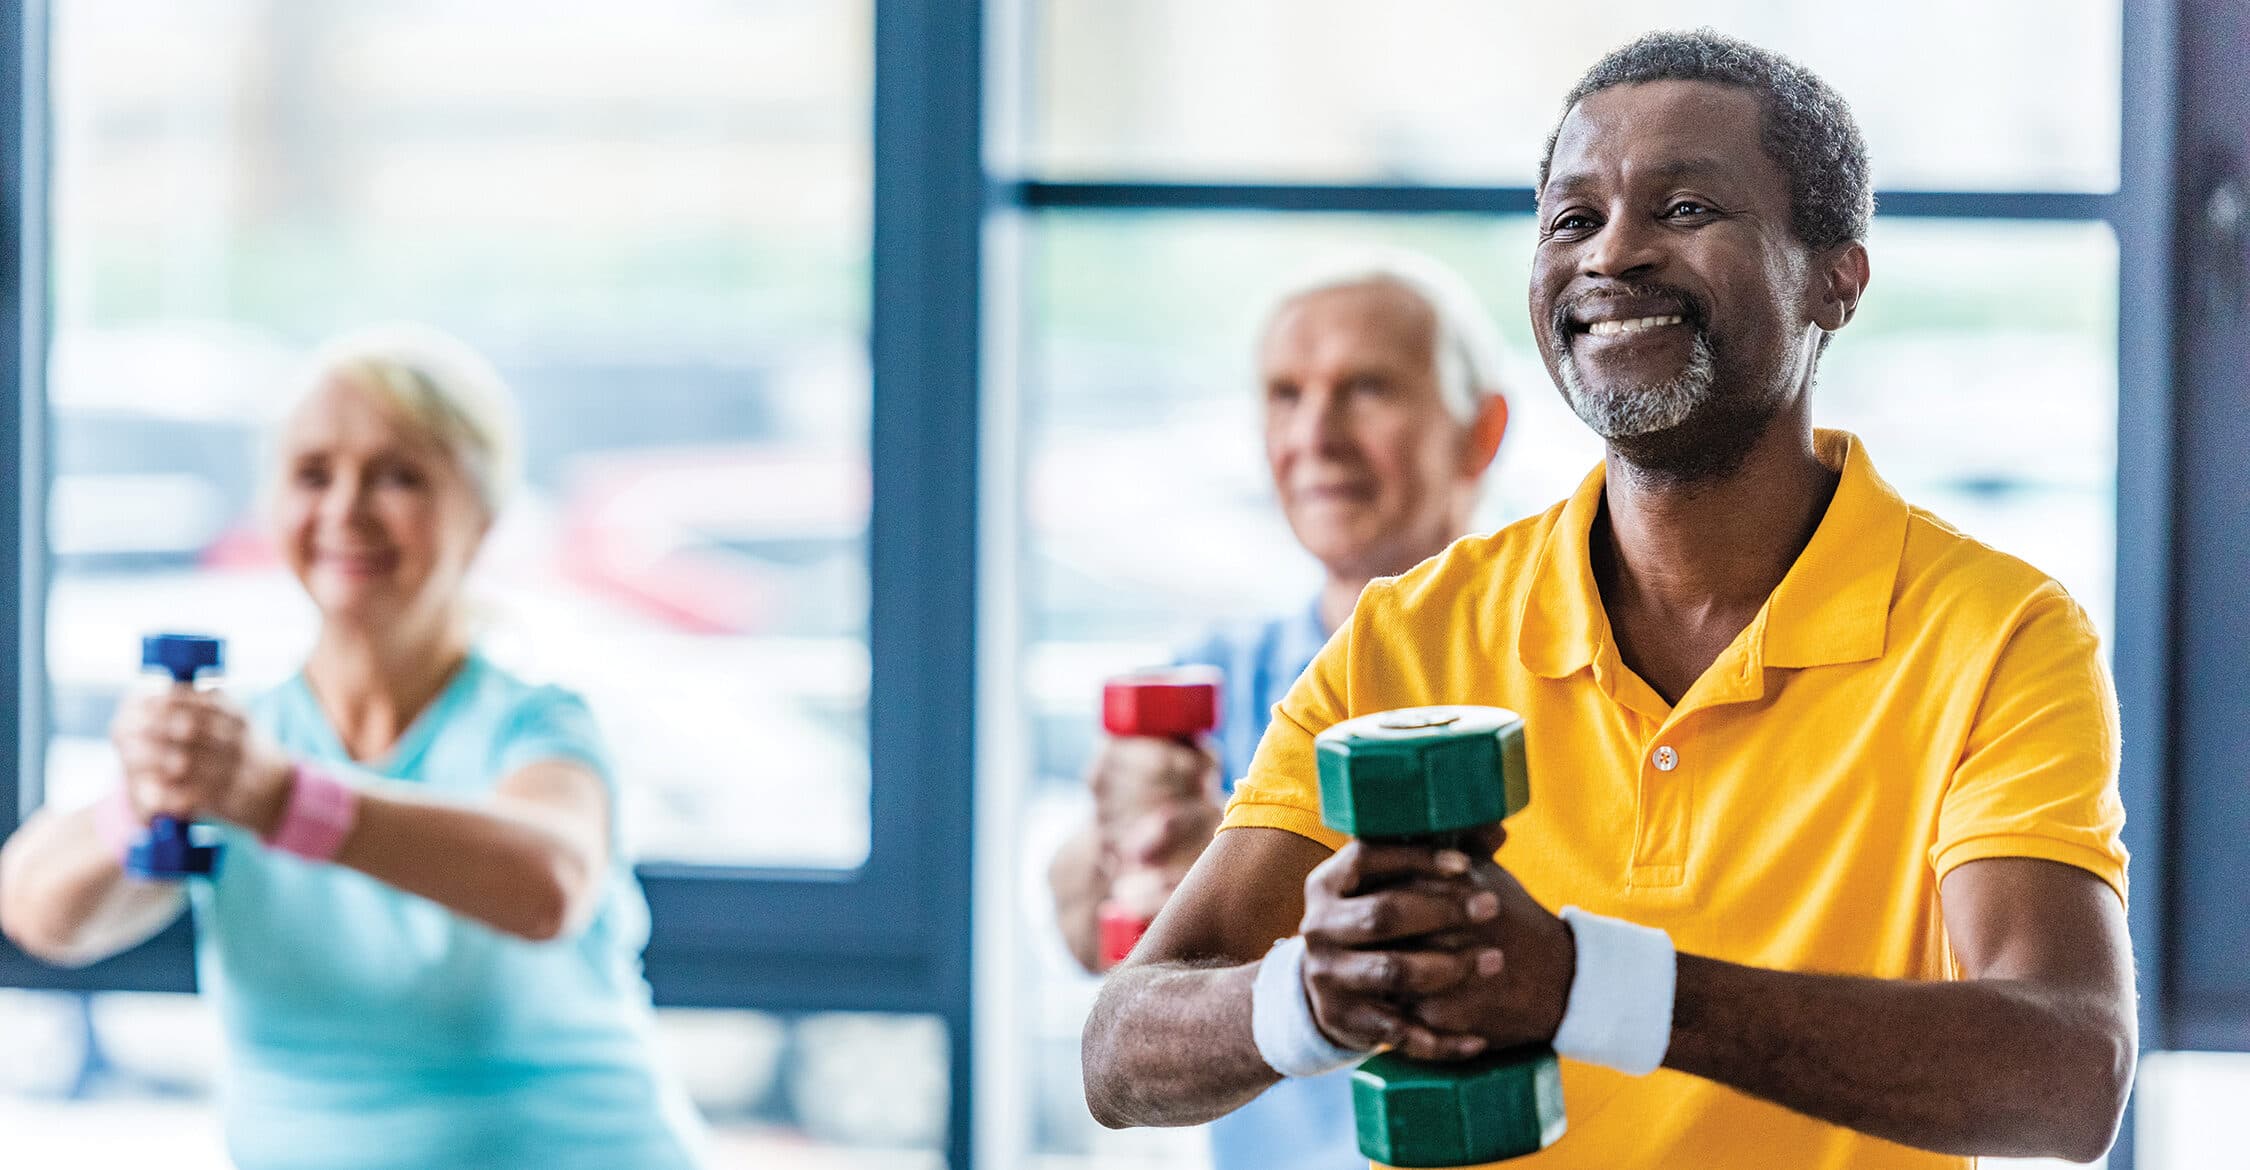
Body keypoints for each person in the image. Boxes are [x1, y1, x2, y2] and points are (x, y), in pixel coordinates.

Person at [1079, 29, 2133, 1170]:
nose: (1613, 255)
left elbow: (2067, 1076)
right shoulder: (1412, 633)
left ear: (1839, 275)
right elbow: (1119, 1053)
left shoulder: (1997, 634)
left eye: (1684, 209)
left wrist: (1593, 988)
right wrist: (1315, 993)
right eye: (1573, 220)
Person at [0, 326, 708, 1170]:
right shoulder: (238, 749)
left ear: (480, 516)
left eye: (400, 476)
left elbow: (546, 884)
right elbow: (39, 911)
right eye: (313, 474)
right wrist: (146, 793)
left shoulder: (533, 725)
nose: (346, 509)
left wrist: (282, 800)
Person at [1049, 250, 1511, 1170]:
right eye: (1285, 395)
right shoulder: (1219, 679)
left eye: (1367, 389)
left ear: (1481, 431)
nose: (1316, 435)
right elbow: (1077, 921)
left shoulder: (1556, 657)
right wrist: (1131, 836)